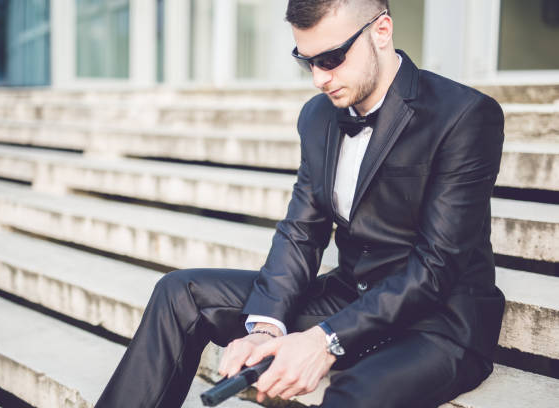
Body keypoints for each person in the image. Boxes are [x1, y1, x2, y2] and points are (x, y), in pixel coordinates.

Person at [95, 0, 506, 407]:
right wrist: (266, 327)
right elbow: (301, 230)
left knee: (353, 396)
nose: (318, 78)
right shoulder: (318, 116)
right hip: (351, 295)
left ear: (382, 31)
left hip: (438, 323)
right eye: (305, 61)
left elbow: (437, 265)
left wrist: (326, 339)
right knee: (179, 291)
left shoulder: (465, 114)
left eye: (331, 58)